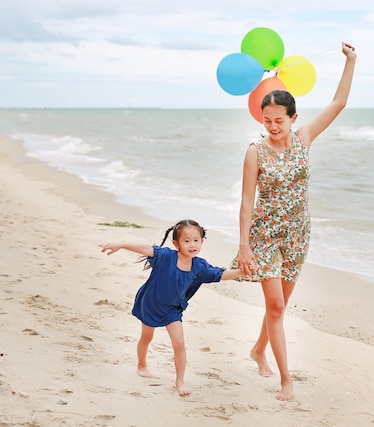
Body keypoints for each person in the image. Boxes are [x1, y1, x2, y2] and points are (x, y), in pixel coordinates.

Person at [234, 41, 357, 401]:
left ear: (293, 119)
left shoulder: (304, 140)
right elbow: (245, 202)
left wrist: (351, 61)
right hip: (265, 237)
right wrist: (244, 246)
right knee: (274, 307)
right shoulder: (254, 152)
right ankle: (286, 379)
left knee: (280, 306)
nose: (272, 126)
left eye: (279, 120)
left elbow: (339, 103)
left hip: (298, 235)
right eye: (267, 120)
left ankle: (258, 350)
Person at [101, 219, 243, 396]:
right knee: (146, 337)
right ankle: (142, 364)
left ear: (202, 241)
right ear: (176, 243)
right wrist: (121, 244)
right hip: (151, 303)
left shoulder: (199, 266)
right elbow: (145, 248)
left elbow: (220, 274)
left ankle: (180, 381)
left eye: (196, 240)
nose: (192, 245)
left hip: (172, 310)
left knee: (179, 343)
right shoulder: (166, 256)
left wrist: (241, 272)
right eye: (186, 241)